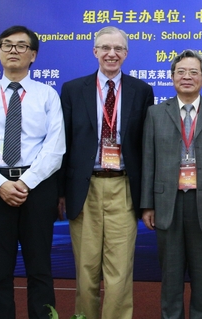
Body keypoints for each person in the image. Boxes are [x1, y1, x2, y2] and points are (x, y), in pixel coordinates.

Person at [0, 25, 65, 319]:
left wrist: (25, 183)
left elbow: (55, 147)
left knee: (40, 268)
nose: (13, 51)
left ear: (33, 55)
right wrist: (0, 184)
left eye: (21, 46)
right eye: (7, 45)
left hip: (37, 188)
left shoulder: (48, 95)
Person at [59, 26, 154, 319]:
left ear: (126, 53)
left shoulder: (141, 91)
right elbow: (63, 143)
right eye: (105, 48)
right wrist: (60, 193)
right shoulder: (73, 90)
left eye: (118, 49)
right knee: (86, 269)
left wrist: (147, 199)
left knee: (120, 271)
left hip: (123, 187)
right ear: (95, 51)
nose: (111, 54)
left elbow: (146, 147)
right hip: (84, 188)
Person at [141, 49, 202, 319]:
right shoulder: (156, 113)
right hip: (167, 203)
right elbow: (148, 159)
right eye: (181, 72)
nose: (187, 77)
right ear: (172, 77)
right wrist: (147, 205)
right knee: (170, 276)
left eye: (194, 72)